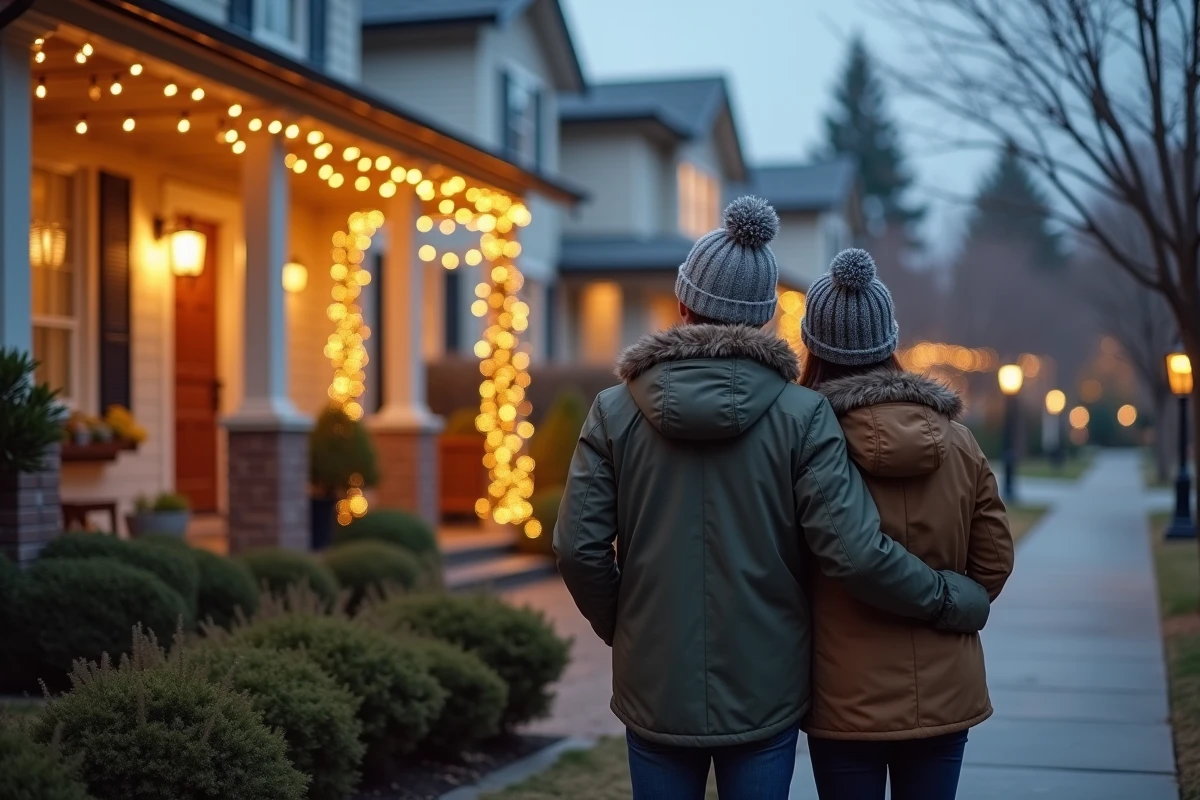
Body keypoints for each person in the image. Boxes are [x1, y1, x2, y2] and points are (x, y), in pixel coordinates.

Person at [553, 196, 993, 800]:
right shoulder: (802, 414)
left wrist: (627, 626)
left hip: (654, 677)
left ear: (682, 303)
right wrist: (947, 598)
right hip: (767, 679)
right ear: (764, 318)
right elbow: (849, 549)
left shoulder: (613, 411)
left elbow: (578, 548)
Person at [798, 248, 1015, 800]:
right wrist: (949, 600)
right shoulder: (960, 442)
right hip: (946, 687)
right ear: (889, 342)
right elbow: (994, 559)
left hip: (845, 695)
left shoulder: (803, 446)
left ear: (814, 348)